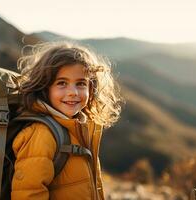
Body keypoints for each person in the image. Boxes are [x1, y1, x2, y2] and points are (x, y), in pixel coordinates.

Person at [11, 41, 123, 200]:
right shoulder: (41, 135)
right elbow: (28, 194)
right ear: (45, 87)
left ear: (91, 89)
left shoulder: (81, 129)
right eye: (62, 83)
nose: (73, 92)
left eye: (81, 83)